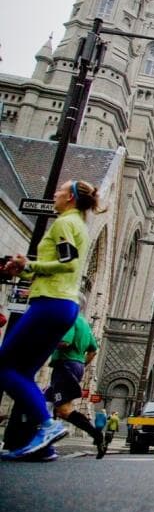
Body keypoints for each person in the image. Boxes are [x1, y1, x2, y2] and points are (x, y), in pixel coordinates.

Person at [0, 180, 100, 460]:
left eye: (60, 191)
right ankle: (43, 446)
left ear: (69, 198)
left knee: (5, 366)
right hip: (63, 303)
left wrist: (29, 265)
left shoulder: (65, 224)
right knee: (23, 372)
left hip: (50, 303)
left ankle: (46, 425)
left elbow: (67, 262)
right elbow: (60, 269)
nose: (54, 194)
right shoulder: (77, 224)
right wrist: (21, 270)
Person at [44, 310, 106, 459]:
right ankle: (45, 440)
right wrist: (81, 364)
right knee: (48, 400)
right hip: (75, 365)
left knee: (64, 410)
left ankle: (96, 435)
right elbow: (93, 351)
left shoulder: (69, 319)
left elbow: (65, 342)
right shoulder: (84, 323)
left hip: (65, 365)